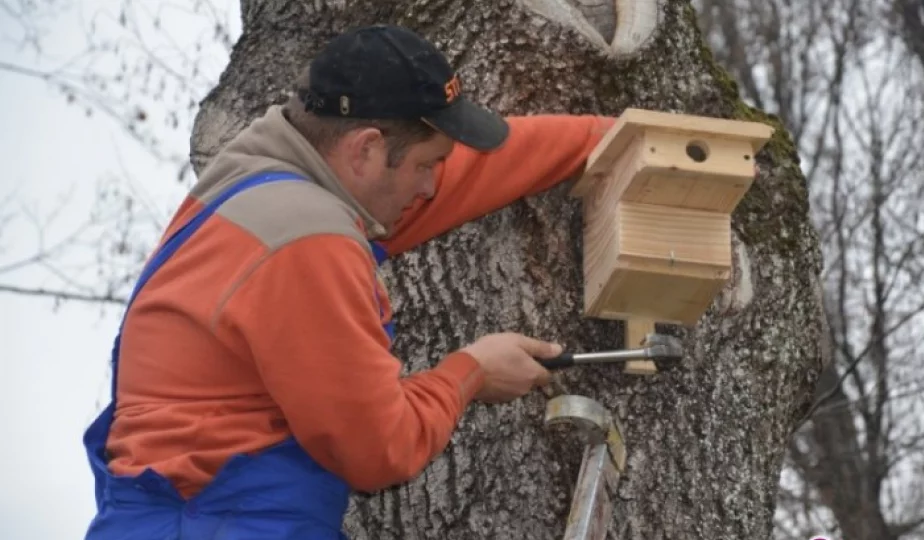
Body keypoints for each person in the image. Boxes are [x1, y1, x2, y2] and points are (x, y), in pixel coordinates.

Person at [82, 23, 615, 539]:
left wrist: (605, 139)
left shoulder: (253, 184)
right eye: (426, 165)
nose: (432, 185)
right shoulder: (309, 241)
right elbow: (379, 448)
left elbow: (464, 176)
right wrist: (471, 372)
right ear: (364, 149)